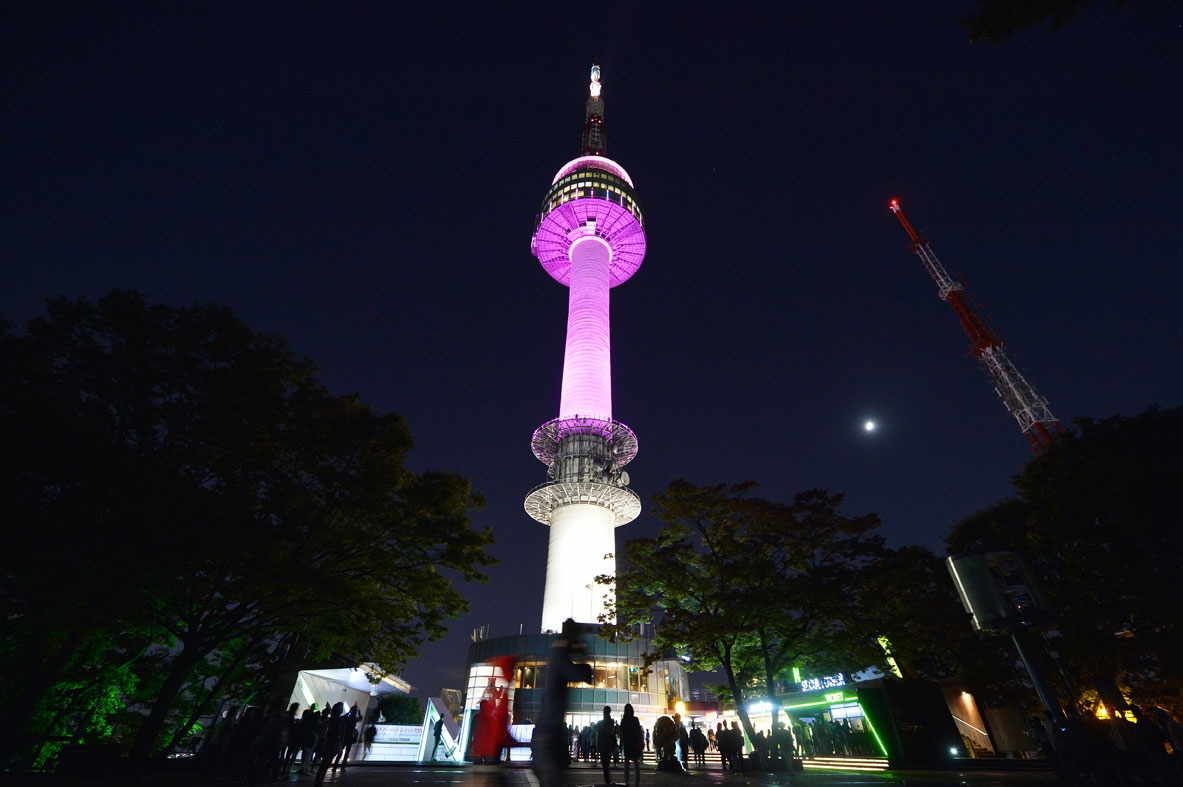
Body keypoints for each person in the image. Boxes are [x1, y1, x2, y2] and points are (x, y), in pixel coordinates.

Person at [532, 620, 593, 787]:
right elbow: (584, 675)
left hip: (549, 734)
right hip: (549, 736)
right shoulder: (560, 657)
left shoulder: (556, 656)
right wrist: (584, 656)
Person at [620, 704, 644, 787]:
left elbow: (621, 731)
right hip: (633, 742)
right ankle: (635, 782)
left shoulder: (624, 720)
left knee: (628, 764)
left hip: (629, 742)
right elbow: (638, 732)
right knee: (635, 763)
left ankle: (627, 781)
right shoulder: (634, 719)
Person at [596, 706, 616, 786]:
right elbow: (594, 728)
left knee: (605, 764)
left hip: (606, 745)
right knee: (605, 764)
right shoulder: (604, 721)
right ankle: (608, 781)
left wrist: (601, 727)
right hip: (604, 744)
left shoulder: (609, 721)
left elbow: (610, 732)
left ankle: (608, 782)